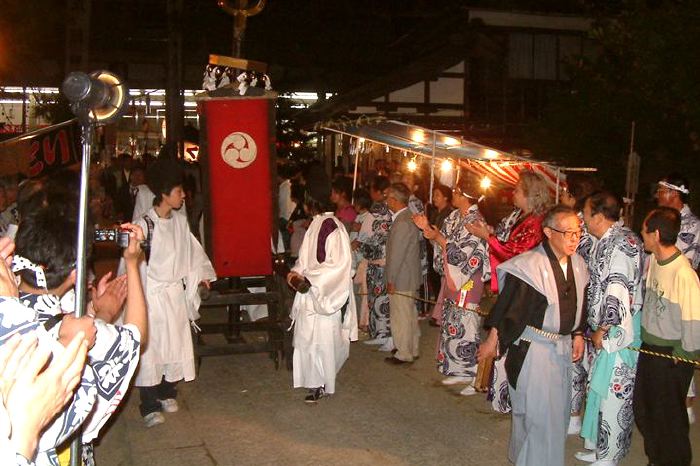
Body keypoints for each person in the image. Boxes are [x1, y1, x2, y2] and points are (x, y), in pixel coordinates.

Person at [478, 205, 588, 466]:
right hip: (534, 349)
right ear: (549, 232)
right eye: (568, 233)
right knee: (537, 418)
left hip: (561, 348)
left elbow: (580, 305)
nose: (574, 239)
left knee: (556, 417)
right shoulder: (530, 267)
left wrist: (578, 333)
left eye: (578, 232)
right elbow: (509, 308)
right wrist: (493, 340)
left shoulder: (579, 264)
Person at [133, 158, 216, 427]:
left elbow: (192, 252)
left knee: (175, 343)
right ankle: (148, 402)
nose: (183, 196)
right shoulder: (145, 225)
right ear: (165, 194)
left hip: (173, 295)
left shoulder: (180, 221)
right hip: (152, 296)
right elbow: (132, 263)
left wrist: (202, 275)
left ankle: (168, 390)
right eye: (179, 191)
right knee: (152, 349)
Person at [466, 170, 552, 412]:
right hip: (514, 282)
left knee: (507, 336)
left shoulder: (536, 221)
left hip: (524, 287)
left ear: (529, 195)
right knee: (500, 334)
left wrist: (488, 238)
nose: (512, 193)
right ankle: (499, 393)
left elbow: (516, 254)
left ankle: (507, 398)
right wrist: (491, 234)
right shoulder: (522, 216)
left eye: (517, 190)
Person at [575, 192, 644, 466]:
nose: (583, 219)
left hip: (618, 331)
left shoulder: (620, 244)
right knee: (600, 389)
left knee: (614, 392)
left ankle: (610, 455)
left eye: (586, 214)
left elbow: (617, 289)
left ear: (599, 217)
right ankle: (600, 446)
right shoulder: (610, 239)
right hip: (604, 329)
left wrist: (604, 329)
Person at [634, 207, 700, 466]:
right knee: (644, 409)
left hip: (671, 356)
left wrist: (684, 355)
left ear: (656, 233)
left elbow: (695, 318)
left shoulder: (683, 273)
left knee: (669, 419)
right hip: (650, 350)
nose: (642, 236)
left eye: (644, 231)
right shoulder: (655, 263)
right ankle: (657, 458)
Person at [414, 181, 489, 393]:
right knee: (452, 322)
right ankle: (458, 369)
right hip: (453, 275)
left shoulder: (475, 220)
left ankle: (473, 372)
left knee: (466, 323)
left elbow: (466, 253)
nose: (453, 195)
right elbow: (444, 242)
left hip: (468, 278)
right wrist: (429, 230)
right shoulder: (455, 216)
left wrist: (438, 237)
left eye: (456, 192)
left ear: (465, 196)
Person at [286, 189, 358, 403]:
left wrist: (309, 277)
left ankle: (324, 382)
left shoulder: (332, 226)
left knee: (324, 341)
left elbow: (338, 264)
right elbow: (305, 258)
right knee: (307, 338)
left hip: (325, 293)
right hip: (310, 292)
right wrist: (296, 272)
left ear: (310, 203)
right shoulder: (316, 223)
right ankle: (314, 381)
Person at [655, 173, 700, 423]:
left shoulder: (691, 224)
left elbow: (683, 260)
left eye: (661, 190)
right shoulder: (662, 218)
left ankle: (686, 406)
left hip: (680, 296)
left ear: (674, 194)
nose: (657, 194)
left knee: (681, 349)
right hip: (661, 294)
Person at [384, 183, 422, 365]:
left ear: (394, 199)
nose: (386, 201)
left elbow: (396, 255)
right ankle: (411, 347)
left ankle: (403, 352)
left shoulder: (402, 222)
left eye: (388, 197)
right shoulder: (407, 218)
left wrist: (390, 279)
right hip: (408, 275)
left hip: (402, 277)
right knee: (409, 314)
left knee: (401, 315)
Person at [359, 176, 393, 346]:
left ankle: (381, 333)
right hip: (386, 260)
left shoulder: (376, 212)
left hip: (377, 259)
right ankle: (381, 333)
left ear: (379, 192)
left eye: (372, 190)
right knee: (381, 298)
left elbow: (364, 235)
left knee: (378, 298)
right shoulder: (391, 210)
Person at [426, 184, 454, 327]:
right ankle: (439, 313)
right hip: (434, 252)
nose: (434, 198)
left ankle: (441, 315)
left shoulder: (449, 214)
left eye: (437, 195)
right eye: (434, 195)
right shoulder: (436, 213)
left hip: (442, 251)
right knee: (437, 283)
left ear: (446, 197)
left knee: (443, 284)